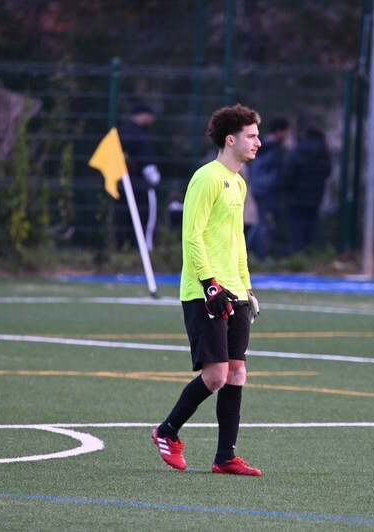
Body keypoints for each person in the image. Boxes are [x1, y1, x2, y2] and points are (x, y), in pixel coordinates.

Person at [151, 103, 263, 477]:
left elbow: (236, 240)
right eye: (251, 136)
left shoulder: (239, 182)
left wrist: (246, 286)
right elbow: (192, 234)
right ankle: (167, 431)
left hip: (235, 291)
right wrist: (208, 283)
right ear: (230, 139)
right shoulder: (207, 177)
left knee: (236, 373)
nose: (258, 142)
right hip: (206, 291)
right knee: (215, 376)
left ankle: (225, 457)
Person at [116, 99, 161, 251]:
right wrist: (154, 178)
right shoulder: (141, 137)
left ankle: (120, 248)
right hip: (141, 186)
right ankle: (142, 249)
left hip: (120, 185)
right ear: (143, 116)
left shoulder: (121, 133)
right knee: (143, 217)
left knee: (122, 218)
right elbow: (148, 165)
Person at [281, 126, 331, 253]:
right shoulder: (323, 152)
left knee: (297, 224)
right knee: (311, 223)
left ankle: (298, 251)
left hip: (297, 195)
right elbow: (327, 172)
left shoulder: (298, 150)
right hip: (316, 195)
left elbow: (289, 173)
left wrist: (288, 187)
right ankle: (308, 250)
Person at [248, 117, 290, 259]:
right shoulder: (273, 149)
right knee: (264, 222)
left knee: (262, 221)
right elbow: (274, 170)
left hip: (259, 186)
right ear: (279, 131)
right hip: (267, 189)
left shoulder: (262, 145)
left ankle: (252, 252)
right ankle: (256, 253)